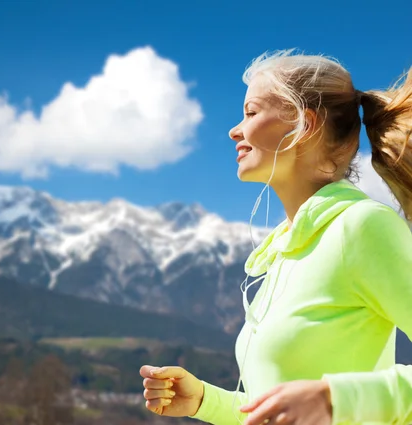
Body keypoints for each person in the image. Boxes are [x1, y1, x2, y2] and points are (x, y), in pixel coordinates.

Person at [140, 49, 412, 425]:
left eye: (251, 112)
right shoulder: (288, 249)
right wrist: (204, 400)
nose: (235, 130)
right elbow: (283, 408)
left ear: (306, 125)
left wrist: (339, 399)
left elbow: (322, 403)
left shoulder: (361, 227)